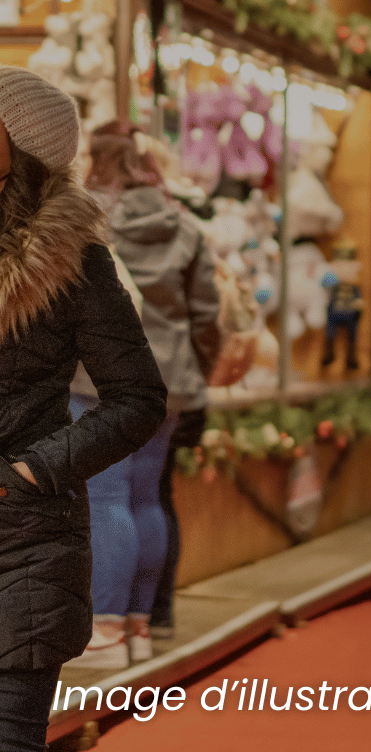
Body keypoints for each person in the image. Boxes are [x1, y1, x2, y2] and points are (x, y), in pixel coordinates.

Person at [0, 67, 166, 750]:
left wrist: (32, 473)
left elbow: (137, 397)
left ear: (21, 147)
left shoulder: (71, 257)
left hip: (24, 550)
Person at [68, 122, 221, 667]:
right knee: (145, 498)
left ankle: (105, 631)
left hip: (101, 381)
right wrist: (191, 373)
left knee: (106, 499)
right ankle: (138, 624)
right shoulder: (185, 226)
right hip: (170, 383)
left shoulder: (86, 220)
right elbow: (207, 316)